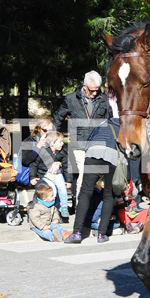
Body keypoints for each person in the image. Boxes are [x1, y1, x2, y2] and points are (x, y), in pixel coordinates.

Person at [52, 71, 109, 202]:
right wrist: (53, 136)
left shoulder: (104, 100)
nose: (95, 93)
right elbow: (58, 117)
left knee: (99, 179)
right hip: (79, 145)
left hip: (98, 145)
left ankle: (94, 209)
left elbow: (109, 121)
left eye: (97, 90)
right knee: (85, 176)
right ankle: (81, 209)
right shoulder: (71, 99)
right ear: (84, 85)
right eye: (92, 90)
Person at [64, 117, 119, 244]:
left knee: (85, 192)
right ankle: (102, 234)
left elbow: (88, 142)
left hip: (92, 154)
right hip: (111, 156)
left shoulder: (100, 124)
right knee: (108, 195)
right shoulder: (123, 126)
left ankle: (76, 233)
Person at [28, 130, 72, 221]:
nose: (62, 144)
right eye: (60, 141)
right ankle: (50, 209)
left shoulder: (62, 153)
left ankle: (63, 207)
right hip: (44, 176)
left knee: (62, 187)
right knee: (52, 189)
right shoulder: (43, 152)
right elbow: (34, 164)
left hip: (57, 174)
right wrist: (32, 177)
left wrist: (68, 180)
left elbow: (67, 166)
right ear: (52, 144)